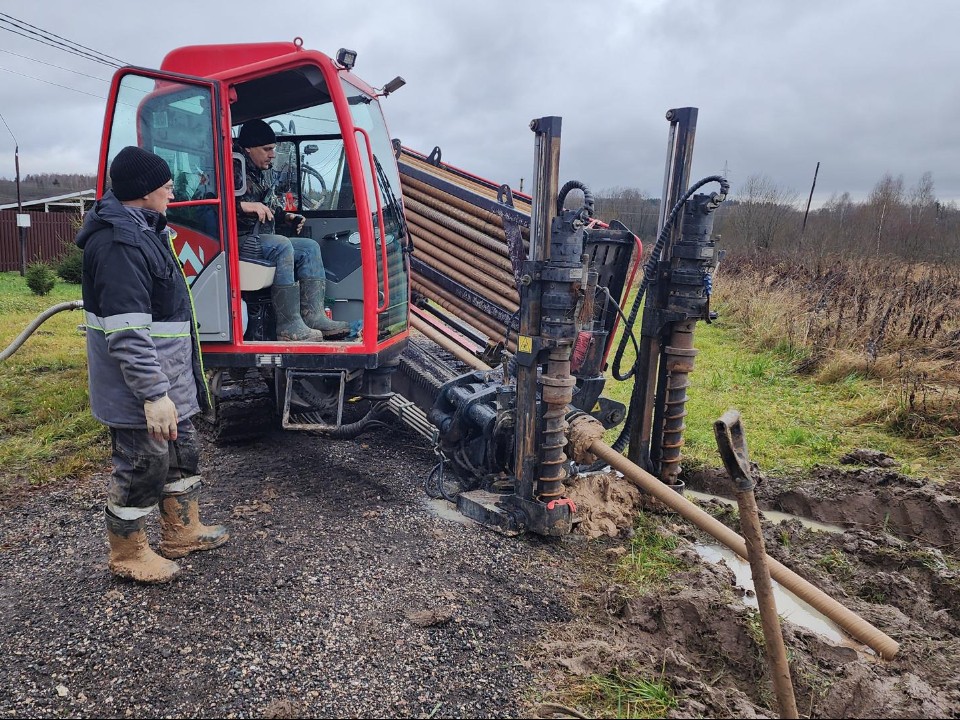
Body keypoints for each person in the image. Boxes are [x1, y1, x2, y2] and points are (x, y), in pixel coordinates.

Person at [75, 146, 229, 584]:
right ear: (143, 193)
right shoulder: (119, 244)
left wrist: (170, 389)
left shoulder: (145, 230)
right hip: (140, 388)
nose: (172, 194)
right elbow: (127, 332)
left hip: (169, 379)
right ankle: (127, 553)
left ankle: (182, 532)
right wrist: (152, 394)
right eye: (165, 187)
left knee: (182, 454)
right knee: (143, 463)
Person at [235, 119, 350, 340]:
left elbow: (270, 204)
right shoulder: (228, 168)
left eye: (274, 149)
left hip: (260, 238)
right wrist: (242, 205)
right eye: (267, 149)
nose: (272, 155)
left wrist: (287, 216)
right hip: (237, 241)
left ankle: (313, 316)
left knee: (309, 247)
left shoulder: (262, 172)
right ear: (248, 147)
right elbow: (206, 202)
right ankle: (288, 327)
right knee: (282, 245)